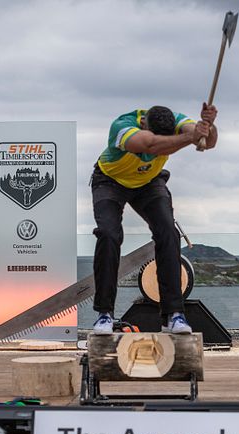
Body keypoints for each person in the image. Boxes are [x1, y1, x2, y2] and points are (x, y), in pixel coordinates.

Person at [90, 103, 218, 334]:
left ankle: (173, 315)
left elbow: (208, 142)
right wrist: (192, 136)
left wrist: (208, 126)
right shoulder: (123, 126)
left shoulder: (177, 121)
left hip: (148, 182)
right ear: (143, 125)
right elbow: (150, 144)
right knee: (109, 235)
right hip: (110, 181)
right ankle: (104, 314)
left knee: (168, 233)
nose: (164, 148)